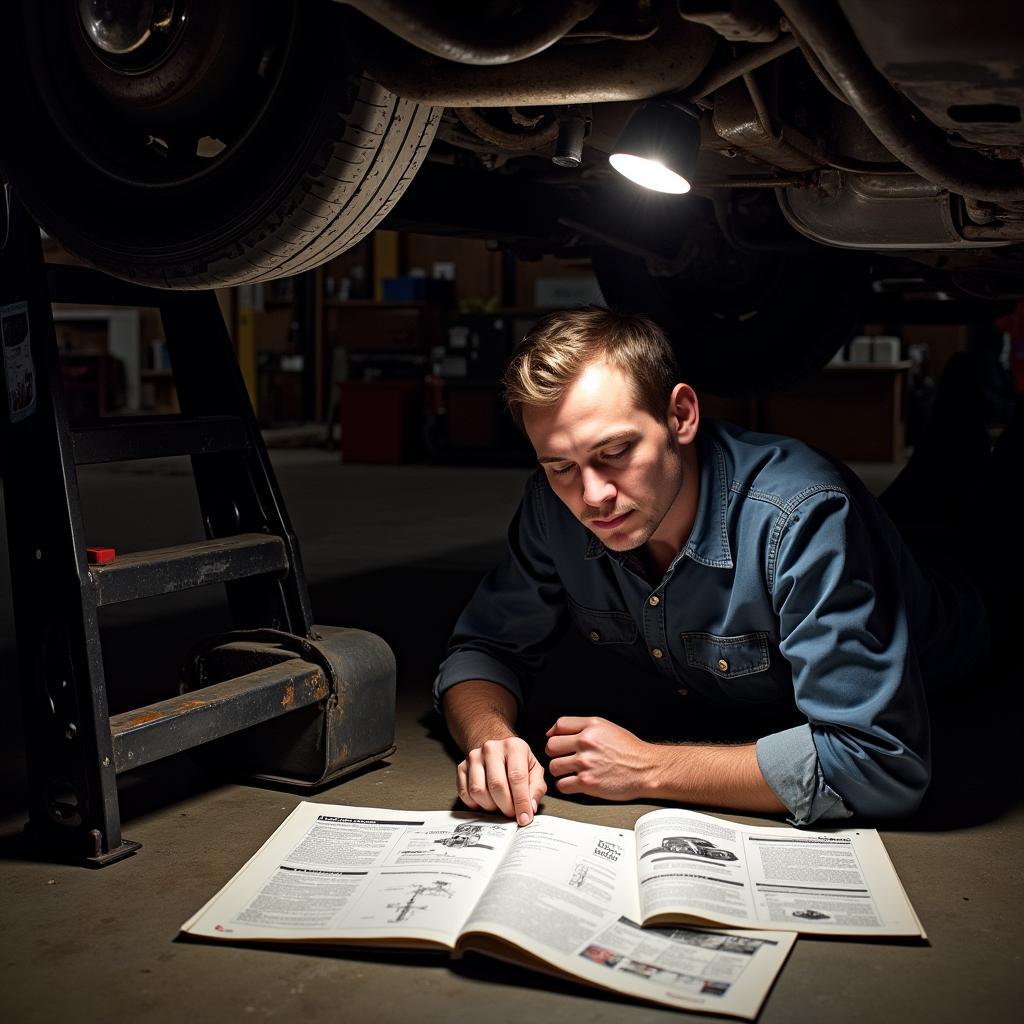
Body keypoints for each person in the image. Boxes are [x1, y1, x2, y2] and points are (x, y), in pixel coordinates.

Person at [433, 307, 993, 829]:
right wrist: (491, 736)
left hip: (972, 603)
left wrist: (648, 767)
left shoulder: (803, 517)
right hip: (880, 542)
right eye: (560, 465)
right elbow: (485, 650)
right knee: (924, 491)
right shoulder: (552, 504)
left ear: (681, 415)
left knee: (981, 504)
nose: (593, 496)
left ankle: (969, 404)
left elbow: (878, 764)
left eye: (615, 452)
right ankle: (958, 420)